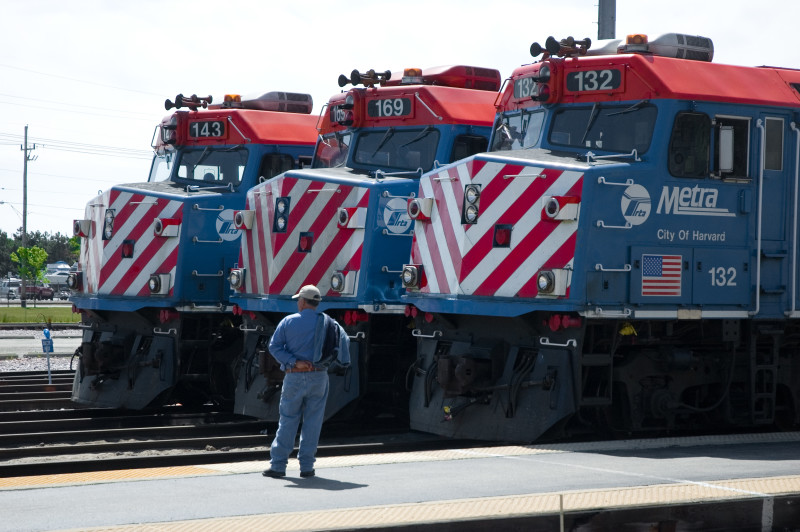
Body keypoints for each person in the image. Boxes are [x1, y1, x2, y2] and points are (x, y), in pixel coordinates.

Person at [263, 284, 350, 479]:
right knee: (313, 421)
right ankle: (307, 467)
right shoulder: (330, 323)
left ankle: (278, 466)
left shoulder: (288, 322)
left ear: (302, 302)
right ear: (317, 303)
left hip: (294, 376)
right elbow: (343, 343)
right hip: (319, 376)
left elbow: (274, 347)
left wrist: (294, 362)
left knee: (288, 419)